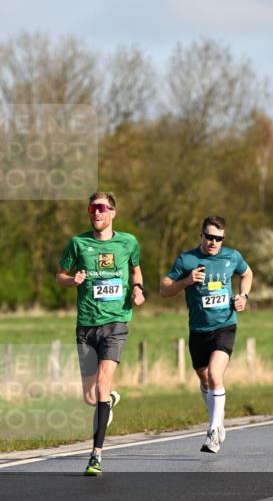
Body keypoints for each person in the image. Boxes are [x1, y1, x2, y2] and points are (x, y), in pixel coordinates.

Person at [57, 192, 145, 476]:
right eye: (92, 208)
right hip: (86, 325)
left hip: (115, 322)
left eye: (101, 208)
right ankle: (110, 400)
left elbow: (136, 270)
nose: (96, 213)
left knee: (102, 385)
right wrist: (73, 279)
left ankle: (96, 456)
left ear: (112, 213)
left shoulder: (128, 242)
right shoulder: (78, 243)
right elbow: (60, 275)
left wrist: (138, 288)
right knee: (91, 397)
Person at [160, 216, 253, 453]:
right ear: (201, 235)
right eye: (209, 237)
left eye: (218, 238)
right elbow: (164, 289)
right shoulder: (187, 259)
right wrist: (187, 281)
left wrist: (243, 296)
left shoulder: (232, 257)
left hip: (225, 325)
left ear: (223, 238)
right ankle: (218, 421)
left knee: (215, 374)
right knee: (205, 380)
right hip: (198, 330)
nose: (213, 242)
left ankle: (212, 432)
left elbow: (247, 274)